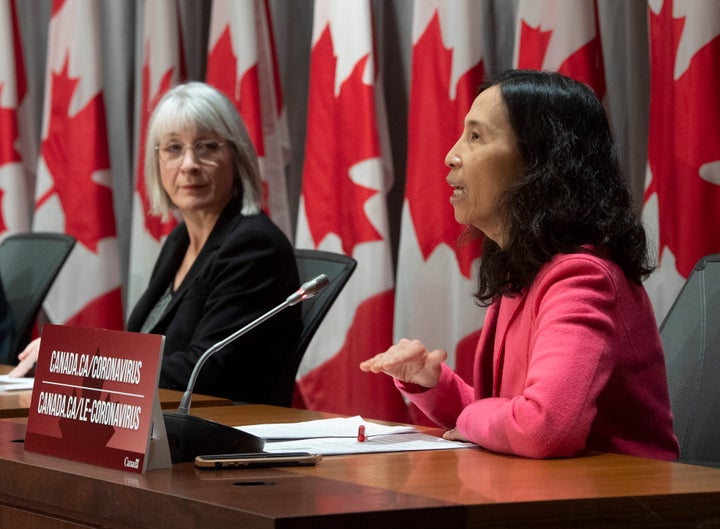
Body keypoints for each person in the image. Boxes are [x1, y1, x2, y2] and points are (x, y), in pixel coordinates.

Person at [360, 69, 679, 461]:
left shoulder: (582, 275)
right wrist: (433, 384)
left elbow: (543, 427)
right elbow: (508, 418)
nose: (451, 155)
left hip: (628, 505)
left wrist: (474, 415)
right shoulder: (527, 265)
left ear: (539, 160)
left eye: (475, 137)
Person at [10, 82, 302, 404]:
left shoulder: (254, 246)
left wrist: (78, 361)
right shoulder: (180, 240)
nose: (189, 164)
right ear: (158, 162)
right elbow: (142, 345)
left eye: (206, 147)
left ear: (237, 156)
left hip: (225, 430)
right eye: (174, 149)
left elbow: (203, 370)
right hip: (163, 422)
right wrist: (73, 357)